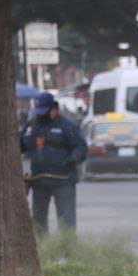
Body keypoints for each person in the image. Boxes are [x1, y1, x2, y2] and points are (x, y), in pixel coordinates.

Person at [21, 91, 87, 235]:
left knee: (66, 221)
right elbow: (20, 146)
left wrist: (74, 157)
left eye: (44, 112)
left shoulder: (67, 126)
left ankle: (67, 251)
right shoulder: (31, 126)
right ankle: (43, 250)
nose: (41, 115)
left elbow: (81, 147)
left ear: (54, 109)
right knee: (38, 221)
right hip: (39, 181)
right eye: (39, 112)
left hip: (63, 180)